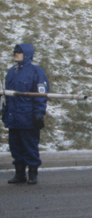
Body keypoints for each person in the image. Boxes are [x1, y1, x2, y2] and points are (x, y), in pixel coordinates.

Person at [3, 44, 49, 185]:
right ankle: (20, 174)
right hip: (14, 118)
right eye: (15, 51)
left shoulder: (37, 72)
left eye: (19, 52)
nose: (15, 54)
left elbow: (41, 95)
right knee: (15, 146)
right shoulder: (11, 72)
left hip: (28, 118)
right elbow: (6, 96)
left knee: (30, 146)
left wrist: (38, 115)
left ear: (27, 54)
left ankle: (33, 173)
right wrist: (4, 112)